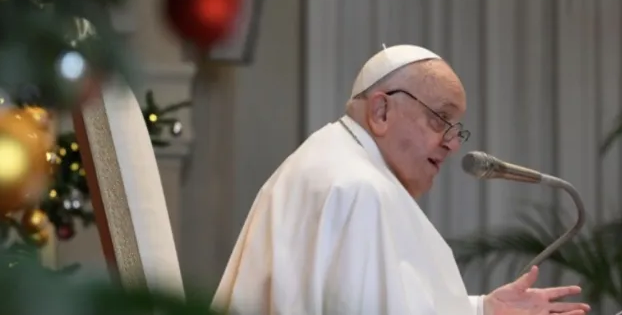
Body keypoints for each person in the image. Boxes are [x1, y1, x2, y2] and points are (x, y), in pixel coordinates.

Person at [211, 45, 590, 315]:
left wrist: (483, 310)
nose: (453, 143)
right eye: (441, 119)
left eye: (457, 128)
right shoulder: (357, 188)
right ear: (381, 110)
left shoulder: (334, 160)